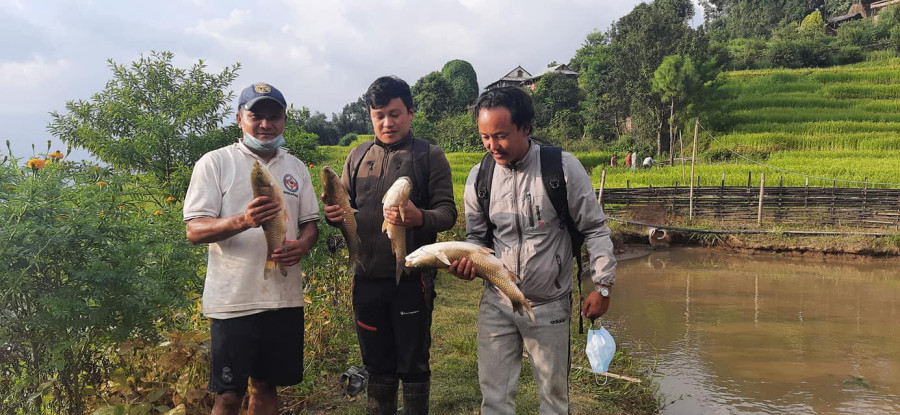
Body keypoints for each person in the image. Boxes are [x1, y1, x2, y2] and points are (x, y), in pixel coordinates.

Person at [448, 87, 617, 414]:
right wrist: (468, 264)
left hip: (549, 305)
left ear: (525, 127)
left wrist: (603, 286)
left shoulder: (560, 169)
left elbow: (595, 228)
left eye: (501, 135)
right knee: (494, 398)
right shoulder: (480, 177)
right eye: (485, 137)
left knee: (554, 398)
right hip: (497, 303)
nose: (492, 146)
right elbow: (477, 240)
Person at [322, 76, 457, 415]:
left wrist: (419, 217)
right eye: (379, 115)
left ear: (410, 112)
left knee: (413, 363)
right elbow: (345, 209)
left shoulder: (429, 156)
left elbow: (447, 213)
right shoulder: (357, 156)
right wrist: (333, 215)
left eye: (395, 114)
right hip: (366, 278)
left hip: (412, 278)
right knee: (377, 363)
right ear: (370, 115)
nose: (387, 123)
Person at [183, 82, 320, 415]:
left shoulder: (296, 167)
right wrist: (242, 220)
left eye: (274, 116)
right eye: (256, 116)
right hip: (234, 301)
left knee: (266, 387)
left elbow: (310, 225)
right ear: (239, 119)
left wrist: (302, 245)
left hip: (284, 298)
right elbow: (194, 230)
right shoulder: (215, 163)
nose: (265, 124)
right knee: (228, 396)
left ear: (284, 120)